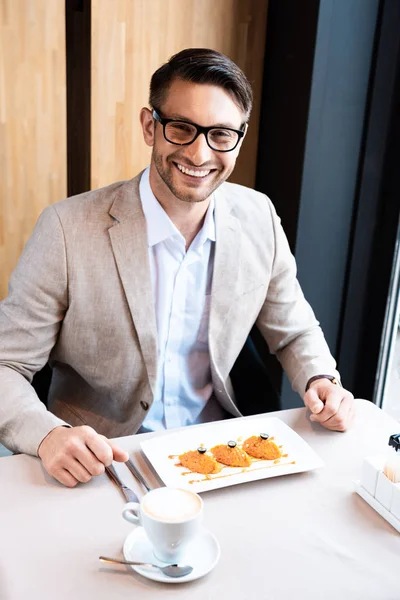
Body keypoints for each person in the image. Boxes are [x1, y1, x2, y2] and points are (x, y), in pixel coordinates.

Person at [0, 48, 354, 487]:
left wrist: (321, 377)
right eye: (182, 128)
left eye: (221, 135)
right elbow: (5, 365)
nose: (200, 153)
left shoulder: (259, 216)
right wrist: (49, 435)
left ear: (239, 139)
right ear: (151, 127)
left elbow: (295, 330)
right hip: (104, 463)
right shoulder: (66, 230)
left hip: (221, 456)